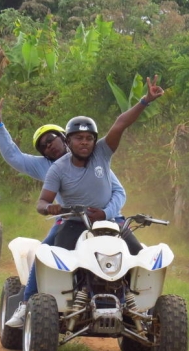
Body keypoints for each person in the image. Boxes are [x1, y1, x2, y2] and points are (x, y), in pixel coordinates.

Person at [0, 99, 127, 328]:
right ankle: (26, 304)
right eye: (43, 146)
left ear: (65, 137)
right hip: (70, 219)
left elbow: (119, 192)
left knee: (136, 256)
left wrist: (105, 212)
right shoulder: (47, 167)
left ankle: (142, 309)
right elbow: (13, 156)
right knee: (45, 254)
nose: (48, 146)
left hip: (109, 219)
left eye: (51, 139)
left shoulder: (95, 158)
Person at [38, 75, 164, 253]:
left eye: (89, 138)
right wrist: (49, 207)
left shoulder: (102, 152)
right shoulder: (57, 169)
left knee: (139, 258)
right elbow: (42, 202)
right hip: (74, 225)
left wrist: (145, 101)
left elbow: (120, 124)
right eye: (79, 138)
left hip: (110, 223)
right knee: (58, 262)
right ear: (67, 141)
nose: (84, 142)